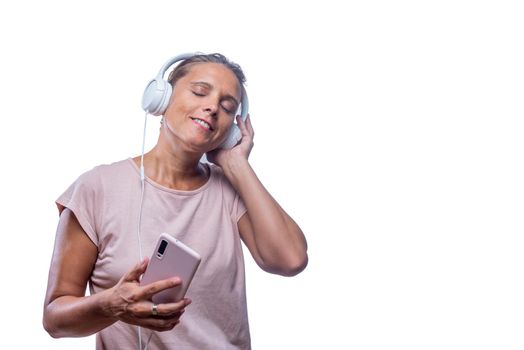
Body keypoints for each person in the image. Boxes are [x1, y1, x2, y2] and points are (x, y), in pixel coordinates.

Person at [42, 53, 308, 349]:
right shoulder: (97, 187)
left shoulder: (229, 190)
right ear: (162, 97)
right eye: (199, 91)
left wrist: (236, 165)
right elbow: (55, 319)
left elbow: (291, 260)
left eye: (227, 105)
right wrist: (111, 304)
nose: (212, 107)